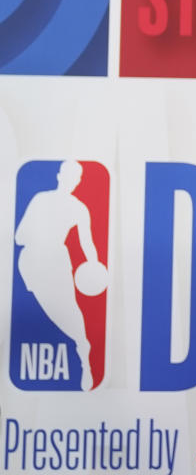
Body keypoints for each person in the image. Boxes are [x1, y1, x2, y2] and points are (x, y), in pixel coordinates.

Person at [14, 160, 99, 391]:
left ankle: (84, 354)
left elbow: (87, 243)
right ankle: (81, 344)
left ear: (79, 181)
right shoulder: (40, 199)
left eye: (77, 177)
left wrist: (94, 265)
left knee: (69, 310)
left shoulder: (79, 208)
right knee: (48, 311)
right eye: (70, 174)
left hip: (57, 262)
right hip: (31, 263)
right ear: (60, 175)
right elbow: (19, 236)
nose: (73, 180)